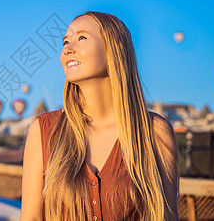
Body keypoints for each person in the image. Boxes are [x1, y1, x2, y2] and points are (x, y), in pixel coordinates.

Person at [20, 12, 179, 221]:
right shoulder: (44, 130)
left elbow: (166, 216)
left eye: (82, 38)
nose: (67, 49)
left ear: (114, 49)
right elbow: (30, 217)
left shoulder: (154, 132)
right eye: (65, 41)